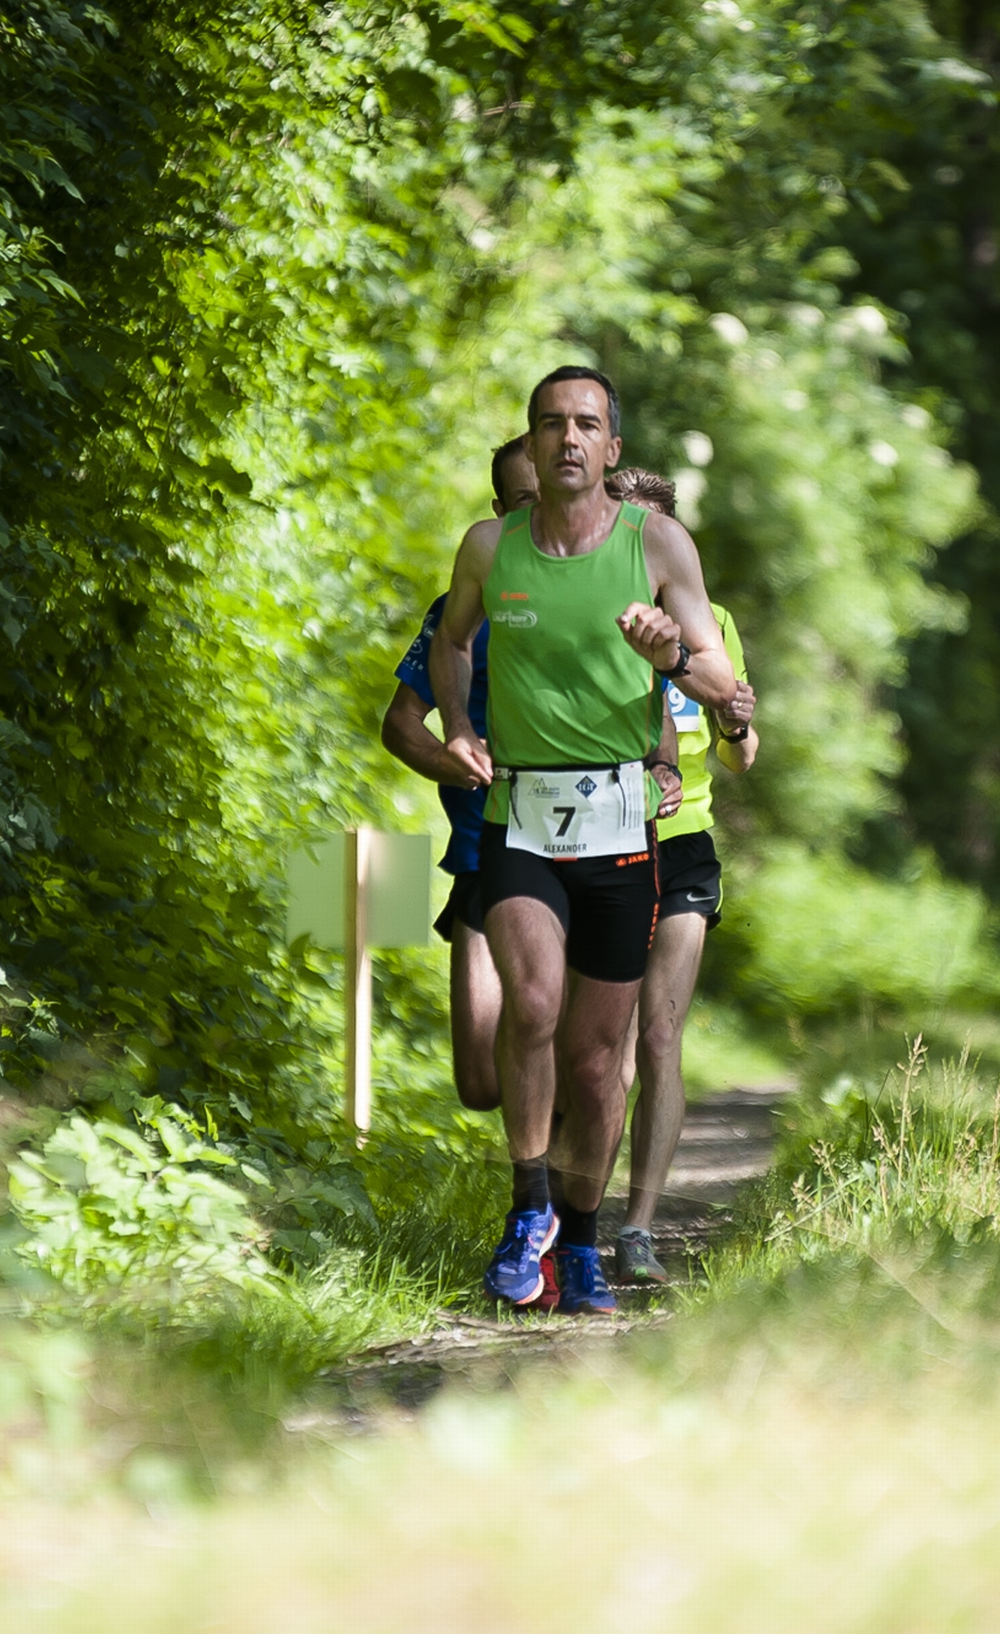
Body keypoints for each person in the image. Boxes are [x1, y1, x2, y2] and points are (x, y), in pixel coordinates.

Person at [430, 366, 737, 1315]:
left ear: (611, 447)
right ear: (531, 442)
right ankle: (528, 1208)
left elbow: (722, 683)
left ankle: (583, 1240)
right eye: (552, 424)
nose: (568, 439)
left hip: (619, 823)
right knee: (532, 1004)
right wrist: (459, 726)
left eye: (586, 425)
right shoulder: (490, 546)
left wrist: (669, 654)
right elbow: (451, 641)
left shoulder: (658, 543)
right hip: (521, 814)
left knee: (600, 1060)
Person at [602, 468, 760, 1286]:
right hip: (603, 836)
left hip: (686, 841)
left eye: (652, 534)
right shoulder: (591, 607)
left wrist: (736, 722)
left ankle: (638, 1227)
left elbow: (743, 754)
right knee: (605, 1049)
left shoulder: (714, 623)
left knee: (660, 1037)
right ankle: (571, 1219)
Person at [381, 435, 539, 1114]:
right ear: (499, 512)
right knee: (480, 1084)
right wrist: (447, 755)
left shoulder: (610, 596)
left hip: (579, 854)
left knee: (569, 1056)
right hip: (483, 850)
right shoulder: (463, 609)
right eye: (524, 502)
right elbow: (400, 724)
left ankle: (555, 1177)